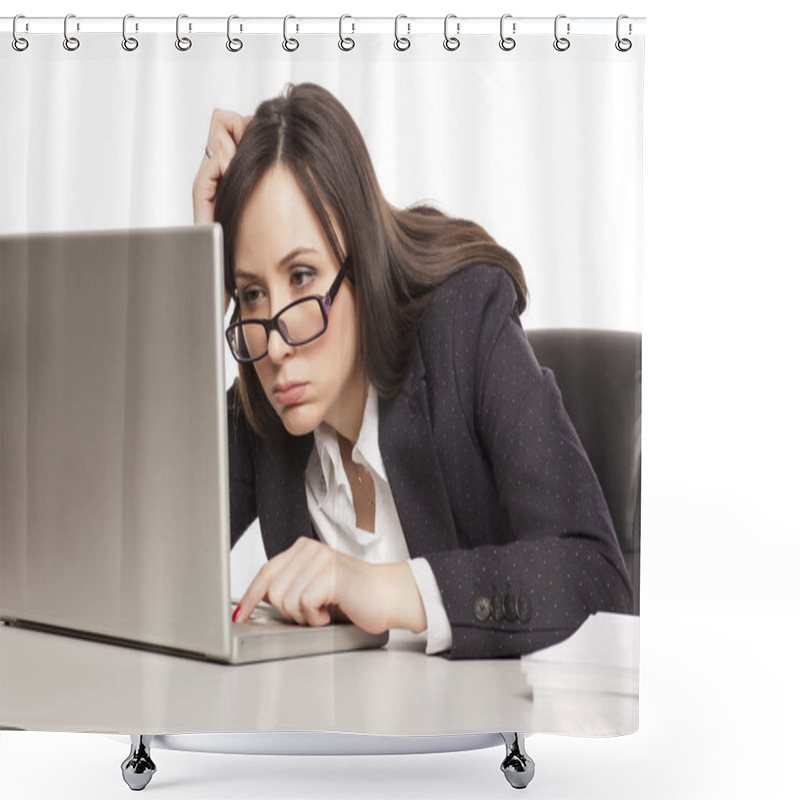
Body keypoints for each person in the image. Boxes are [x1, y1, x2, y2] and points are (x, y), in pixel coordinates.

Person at [192, 82, 632, 659]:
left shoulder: (464, 328)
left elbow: (596, 579)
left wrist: (382, 587)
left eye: (301, 276)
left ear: (361, 256)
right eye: (250, 292)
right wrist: (197, 272)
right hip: (332, 741)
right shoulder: (264, 394)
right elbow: (146, 568)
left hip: (487, 740)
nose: (276, 344)